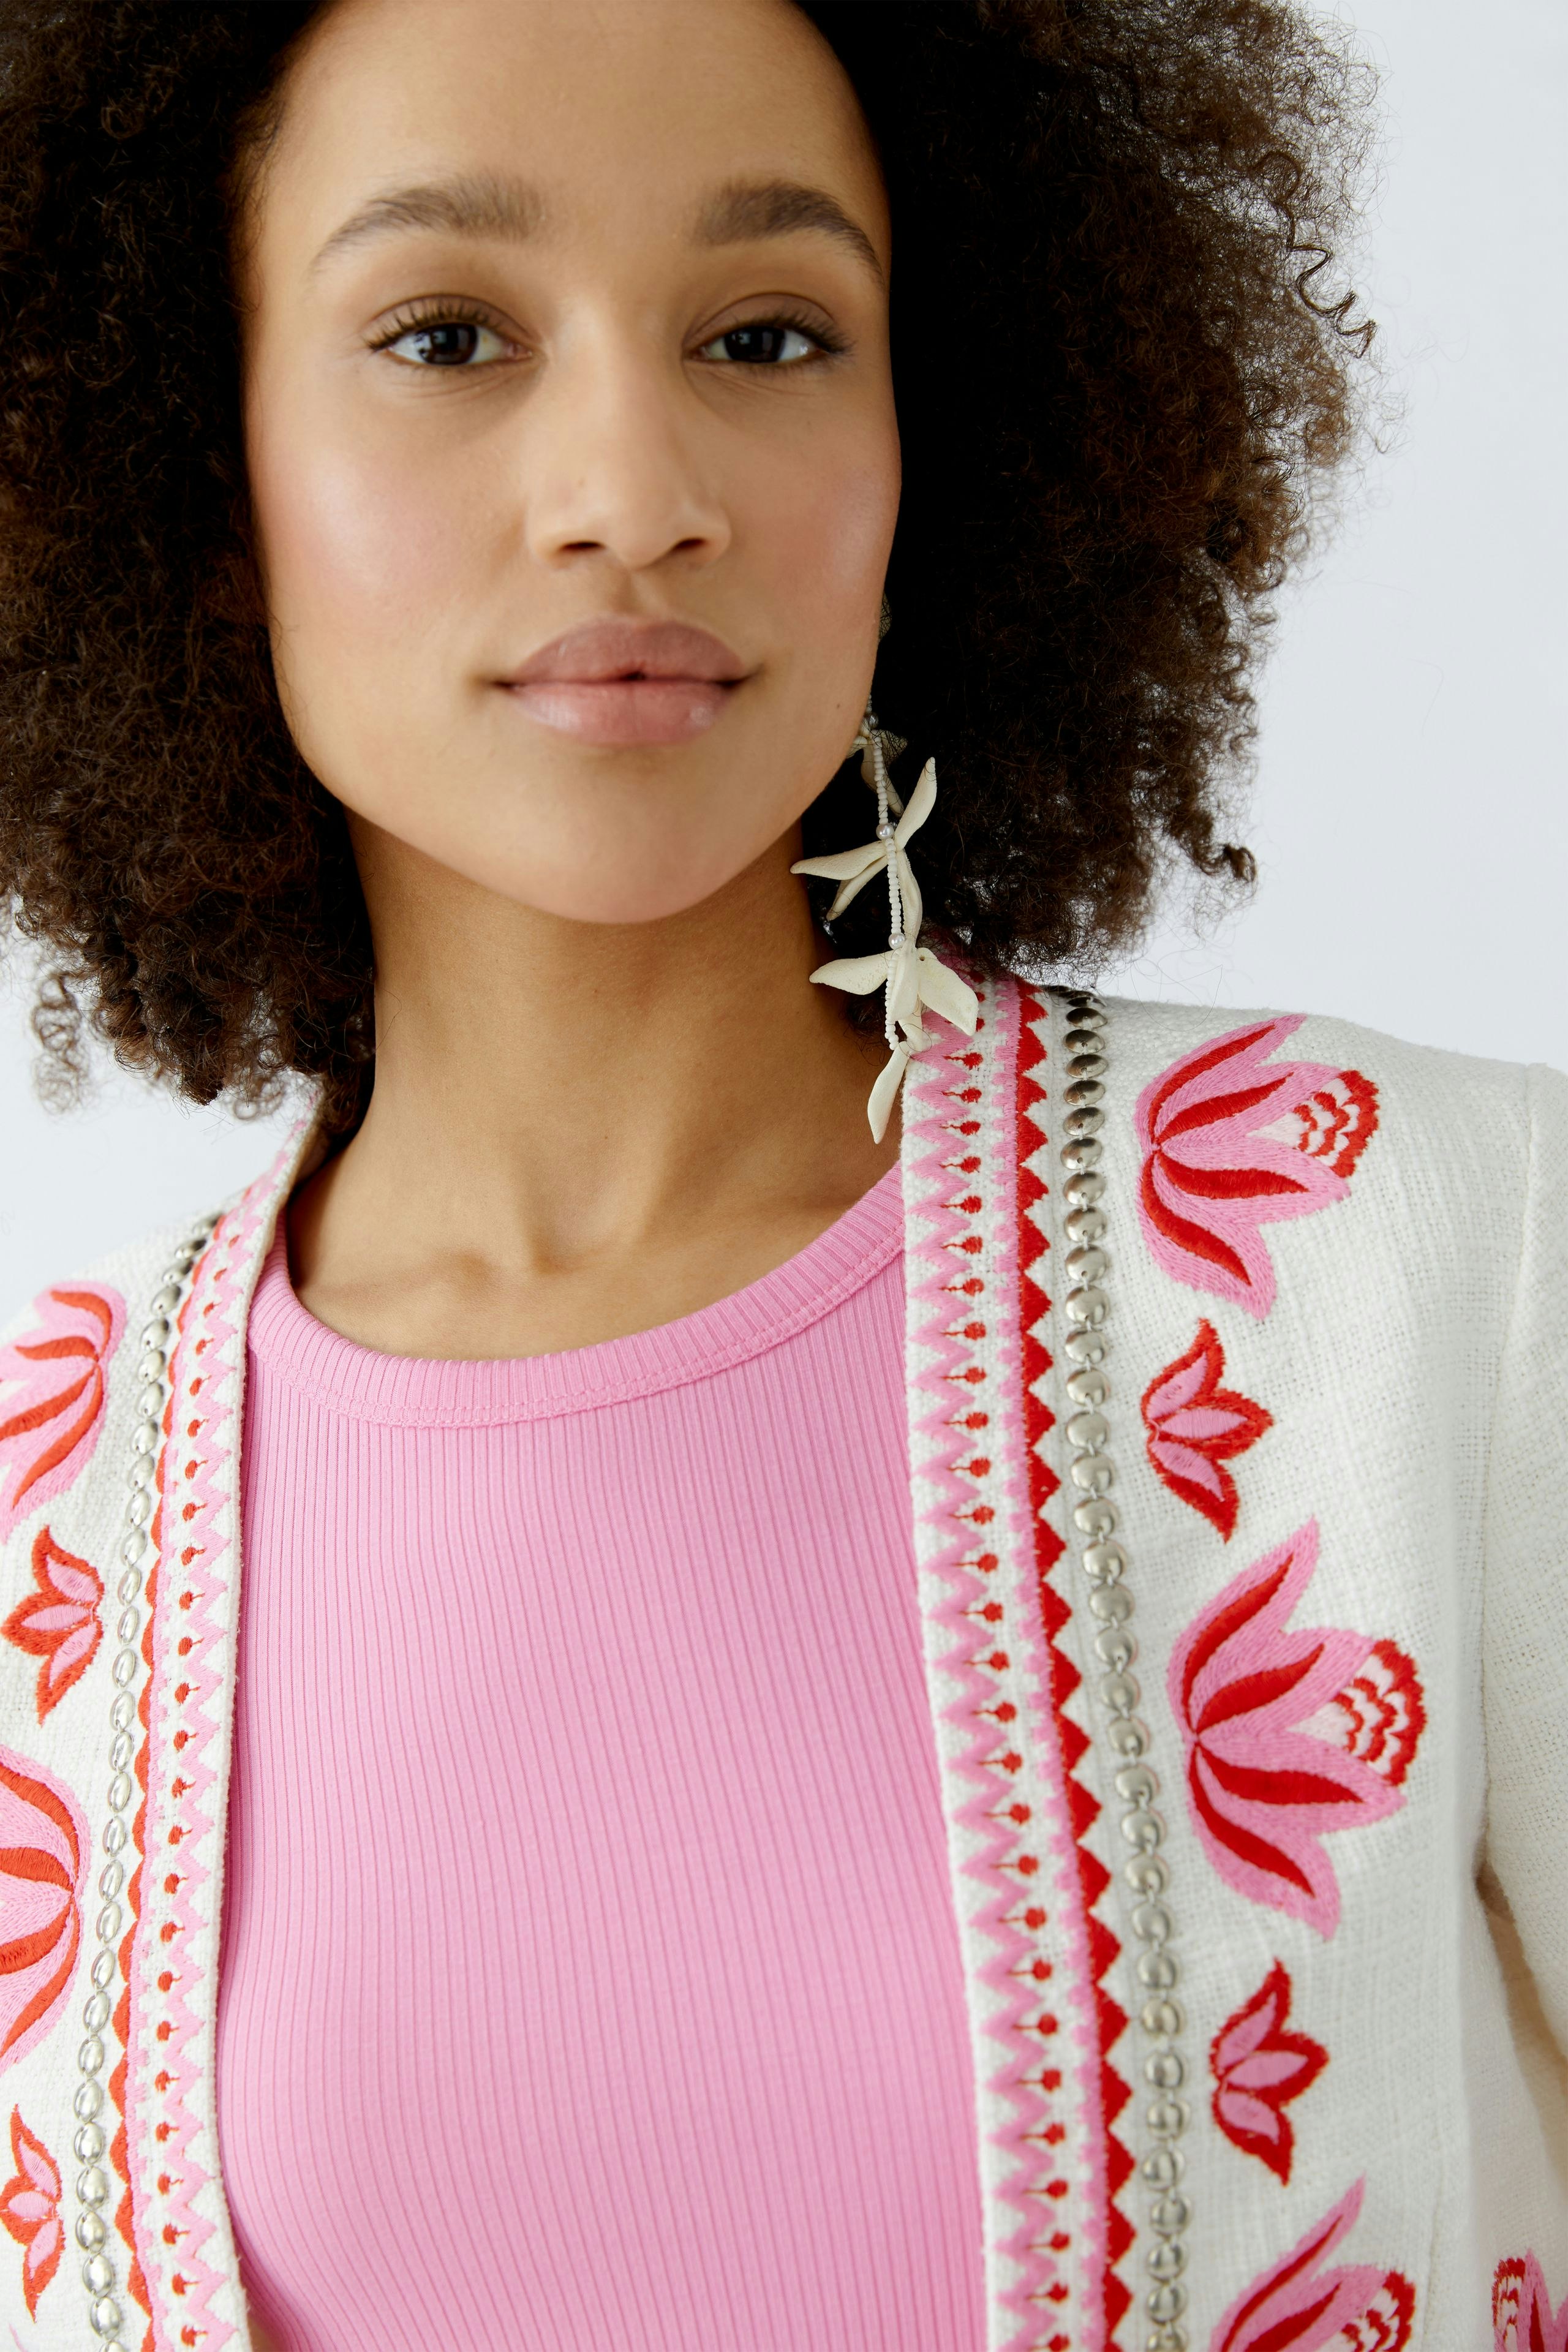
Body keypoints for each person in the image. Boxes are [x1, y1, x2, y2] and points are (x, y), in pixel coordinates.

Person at [0, 1, 1561, 2346]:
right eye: (446, 333)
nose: (634, 485)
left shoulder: (1430, 1268)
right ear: (190, 485)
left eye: (768, 331)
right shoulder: (44, 1520)